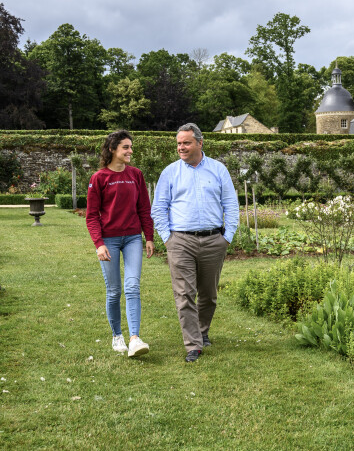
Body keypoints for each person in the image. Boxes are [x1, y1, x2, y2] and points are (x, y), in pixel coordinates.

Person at [151, 123, 239, 362]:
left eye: (186, 143)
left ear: (200, 143)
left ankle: (202, 331)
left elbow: (231, 204)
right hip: (180, 241)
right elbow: (158, 208)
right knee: (184, 294)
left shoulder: (218, 170)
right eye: (179, 143)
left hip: (213, 241)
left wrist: (227, 237)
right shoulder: (170, 172)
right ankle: (193, 345)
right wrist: (167, 238)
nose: (181, 147)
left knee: (208, 294)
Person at [86, 130, 155, 358]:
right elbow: (91, 215)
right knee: (114, 290)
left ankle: (134, 339)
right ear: (112, 149)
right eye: (126, 147)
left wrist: (149, 236)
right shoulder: (99, 178)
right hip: (109, 241)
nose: (130, 151)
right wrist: (99, 243)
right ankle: (117, 335)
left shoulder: (136, 174)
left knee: (132, 286)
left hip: (133, 237)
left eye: (130, 147)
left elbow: (144, 208)